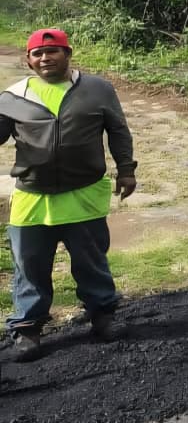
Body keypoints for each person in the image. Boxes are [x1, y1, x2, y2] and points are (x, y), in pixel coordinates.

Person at [1, 29, 138, 361]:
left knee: (91, 261)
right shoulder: (13, 96)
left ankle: (103, 316)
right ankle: (28, 329)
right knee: (29, 266)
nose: (45, 58)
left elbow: (117, 129)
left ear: (68, 53)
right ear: (28, 60)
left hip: (85, 194)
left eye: (53, 51)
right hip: (32, 198)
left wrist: (126, 169)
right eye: (38, 54)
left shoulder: (97, 89)